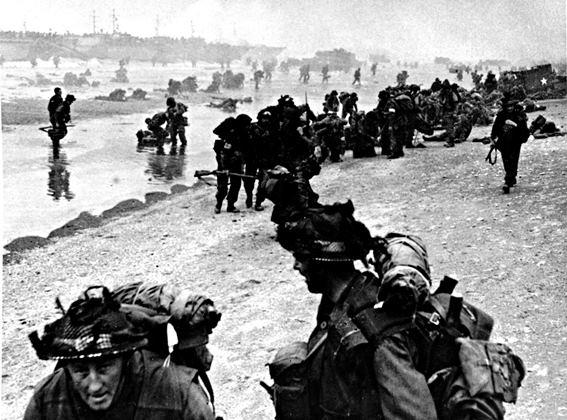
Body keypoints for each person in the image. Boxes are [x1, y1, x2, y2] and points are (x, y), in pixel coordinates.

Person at [265, 200, 523, 419]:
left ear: (324, 263)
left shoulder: (381, 333)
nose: (296, 267)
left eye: (301, 258)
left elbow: (413, 414)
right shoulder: (340, 299)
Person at [25, 286, 215, 419]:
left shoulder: (179, 393)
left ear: (126, 360)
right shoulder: (46, 399)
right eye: (81, 371)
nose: (94, 386)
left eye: (104, 368)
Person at [490, 96, 530, 193]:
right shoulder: (501, 115)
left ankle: (508, 180)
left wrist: (514, 125)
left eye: (511, 106)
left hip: (516, 141)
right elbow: (495, 128)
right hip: (503, 141)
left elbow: (524, 129)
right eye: (508, 106)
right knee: (506, 160)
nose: (510, 108)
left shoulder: (519, 114)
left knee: (513, 159)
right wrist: (493, 139)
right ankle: (511, 177)